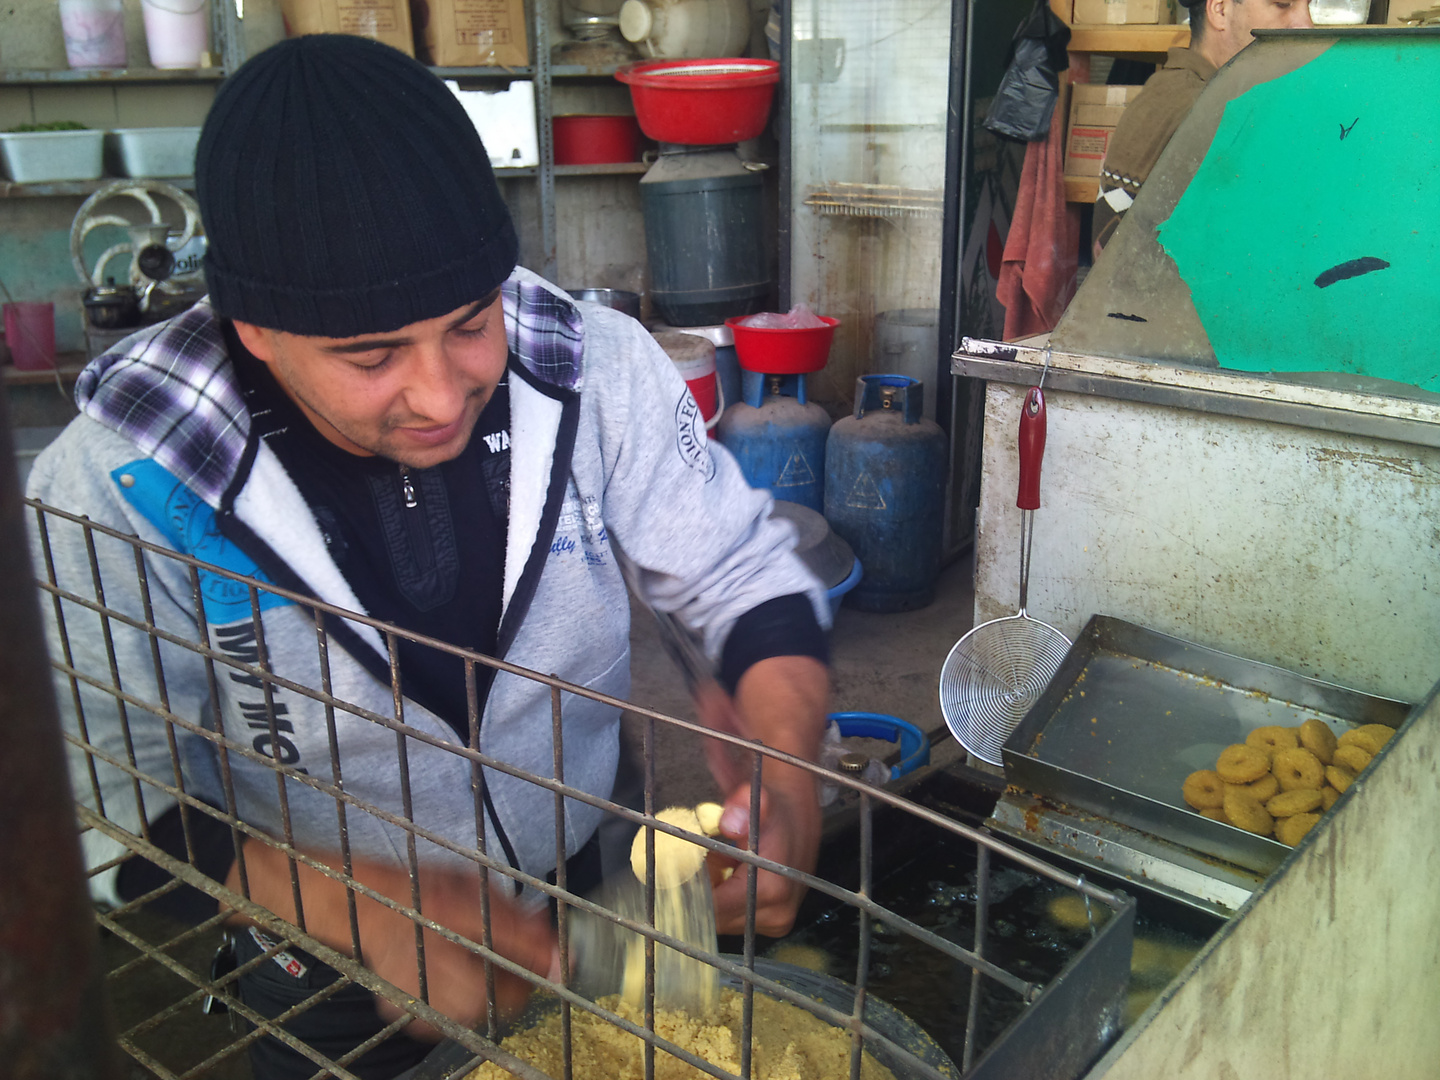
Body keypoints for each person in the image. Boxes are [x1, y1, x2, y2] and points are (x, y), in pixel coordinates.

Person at [26, 34, 831, 1080]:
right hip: (321, 976)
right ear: (255, 330)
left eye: (468, 323)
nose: (444, 394)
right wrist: (347, 907)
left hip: (592, 904)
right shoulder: (124, 482)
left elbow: (739, 574)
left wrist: (787, 765)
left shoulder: (595, 371)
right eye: (371, 358)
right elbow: (92, 797)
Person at [1093, 0, 1313, 251]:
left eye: (1309, 5)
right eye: (1283, 4)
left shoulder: (1179, 92)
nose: (1306, 23)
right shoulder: (1207, 113)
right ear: (1220, 10)